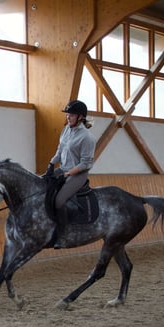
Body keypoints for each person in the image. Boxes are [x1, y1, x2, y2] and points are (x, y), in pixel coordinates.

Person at [45, 99, 96, 248]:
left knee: (59, 200)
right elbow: (60, 150)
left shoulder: (88, 138)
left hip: (78, 174)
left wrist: (68, 174)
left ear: (80, 117)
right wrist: (51, 163)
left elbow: (86, 163)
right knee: (42, 184)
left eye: (71, 115)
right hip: (63, 168)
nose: (68, 117)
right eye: (67, 114)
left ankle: (63, 234)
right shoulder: (66, 129)